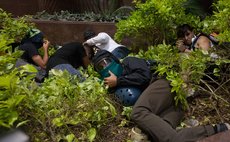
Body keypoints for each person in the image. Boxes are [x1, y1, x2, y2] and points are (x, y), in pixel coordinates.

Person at [131, 78, 230, 142]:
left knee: (138, 112)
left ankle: (216, 129)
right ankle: (217, 129)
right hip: (179, 99)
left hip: (171, 83)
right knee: (165, 135)